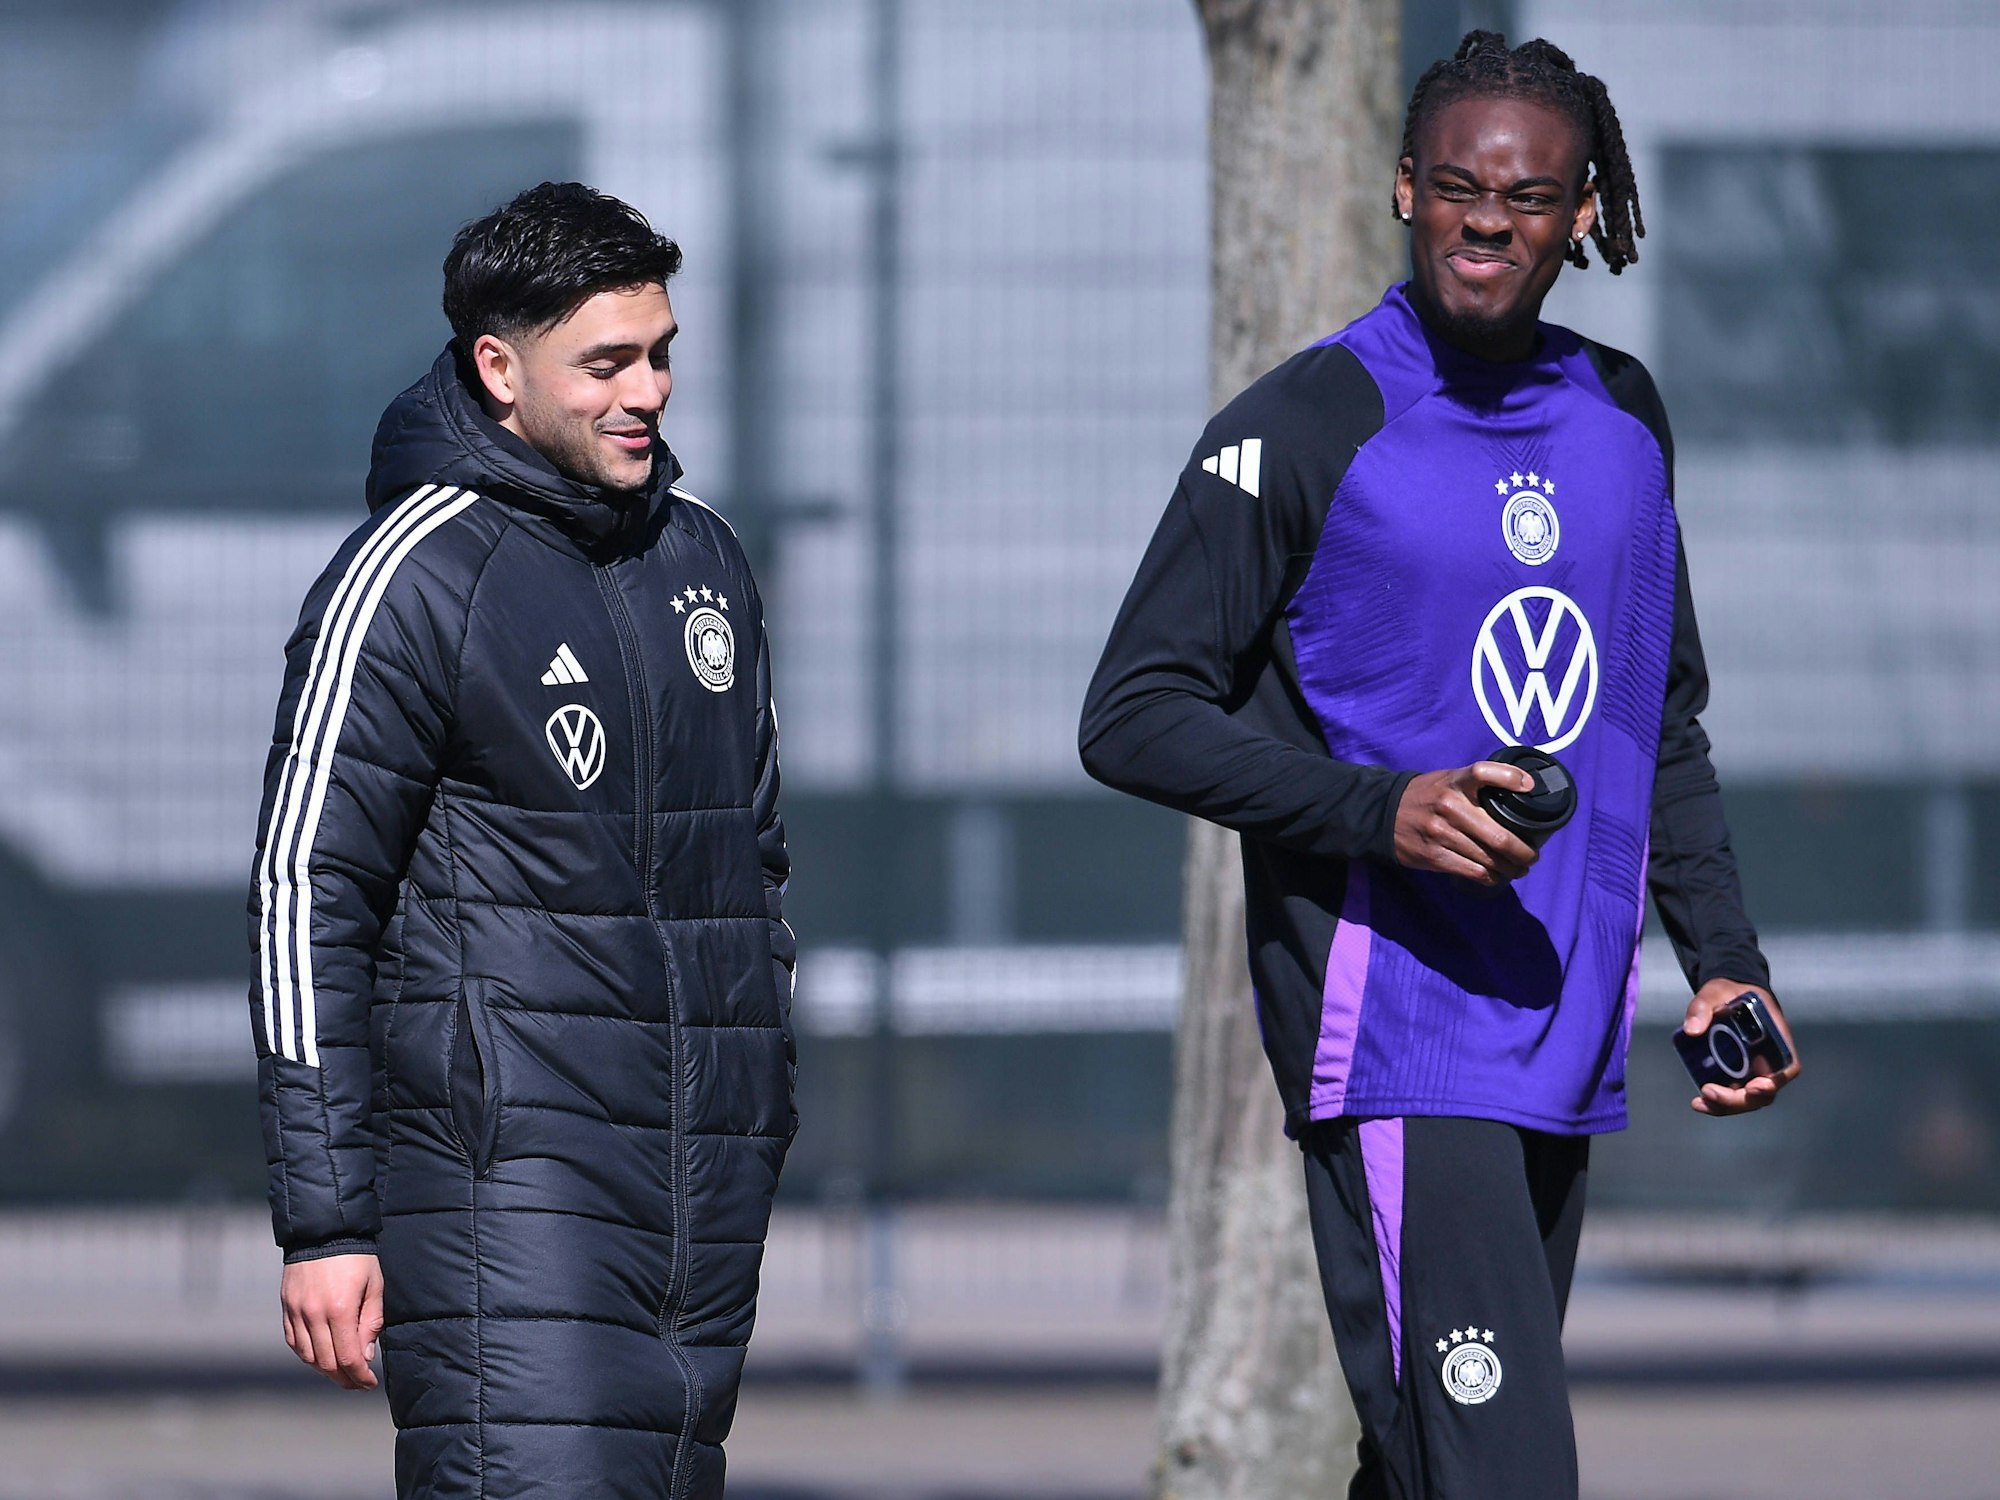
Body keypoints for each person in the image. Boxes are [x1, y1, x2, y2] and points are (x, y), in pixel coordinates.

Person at [1079, 32, 1800, 1500]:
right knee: (1502, 1471)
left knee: (1430, 1464)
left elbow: (1656, 721)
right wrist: (1380, 813)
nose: (1489, 219)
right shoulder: (1305, 423)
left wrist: (1722, 958)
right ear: (1405, 189)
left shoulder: (1624, 415)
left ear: (1584, 212)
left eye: (1529, 197)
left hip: (1565, 1034)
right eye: (1460, 187)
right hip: (1404, 1041)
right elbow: (1132, 712)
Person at [249, 182, 795, 1500]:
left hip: (698, 1186)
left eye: (660, 354)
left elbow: (759, 864)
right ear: (499, 368)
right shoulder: (412, 575)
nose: (648, 391)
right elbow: (302, 896)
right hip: (508, 1187)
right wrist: (326, 1222)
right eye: (605, 362)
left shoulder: (703, 560)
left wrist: (758, 1099)